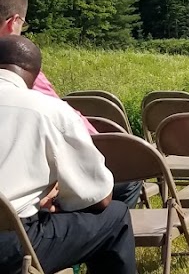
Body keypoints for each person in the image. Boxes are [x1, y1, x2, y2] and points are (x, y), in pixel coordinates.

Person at [0, 35, 137, 273]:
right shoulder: (48, 110)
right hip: (10, 247)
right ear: (34, 76)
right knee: (115, 215)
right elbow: (99, 197)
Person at [0, 0, 141, 208]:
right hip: (20, 196)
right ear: (13, 22)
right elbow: (60, 118)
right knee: (125, 184)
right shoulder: (17, 66)